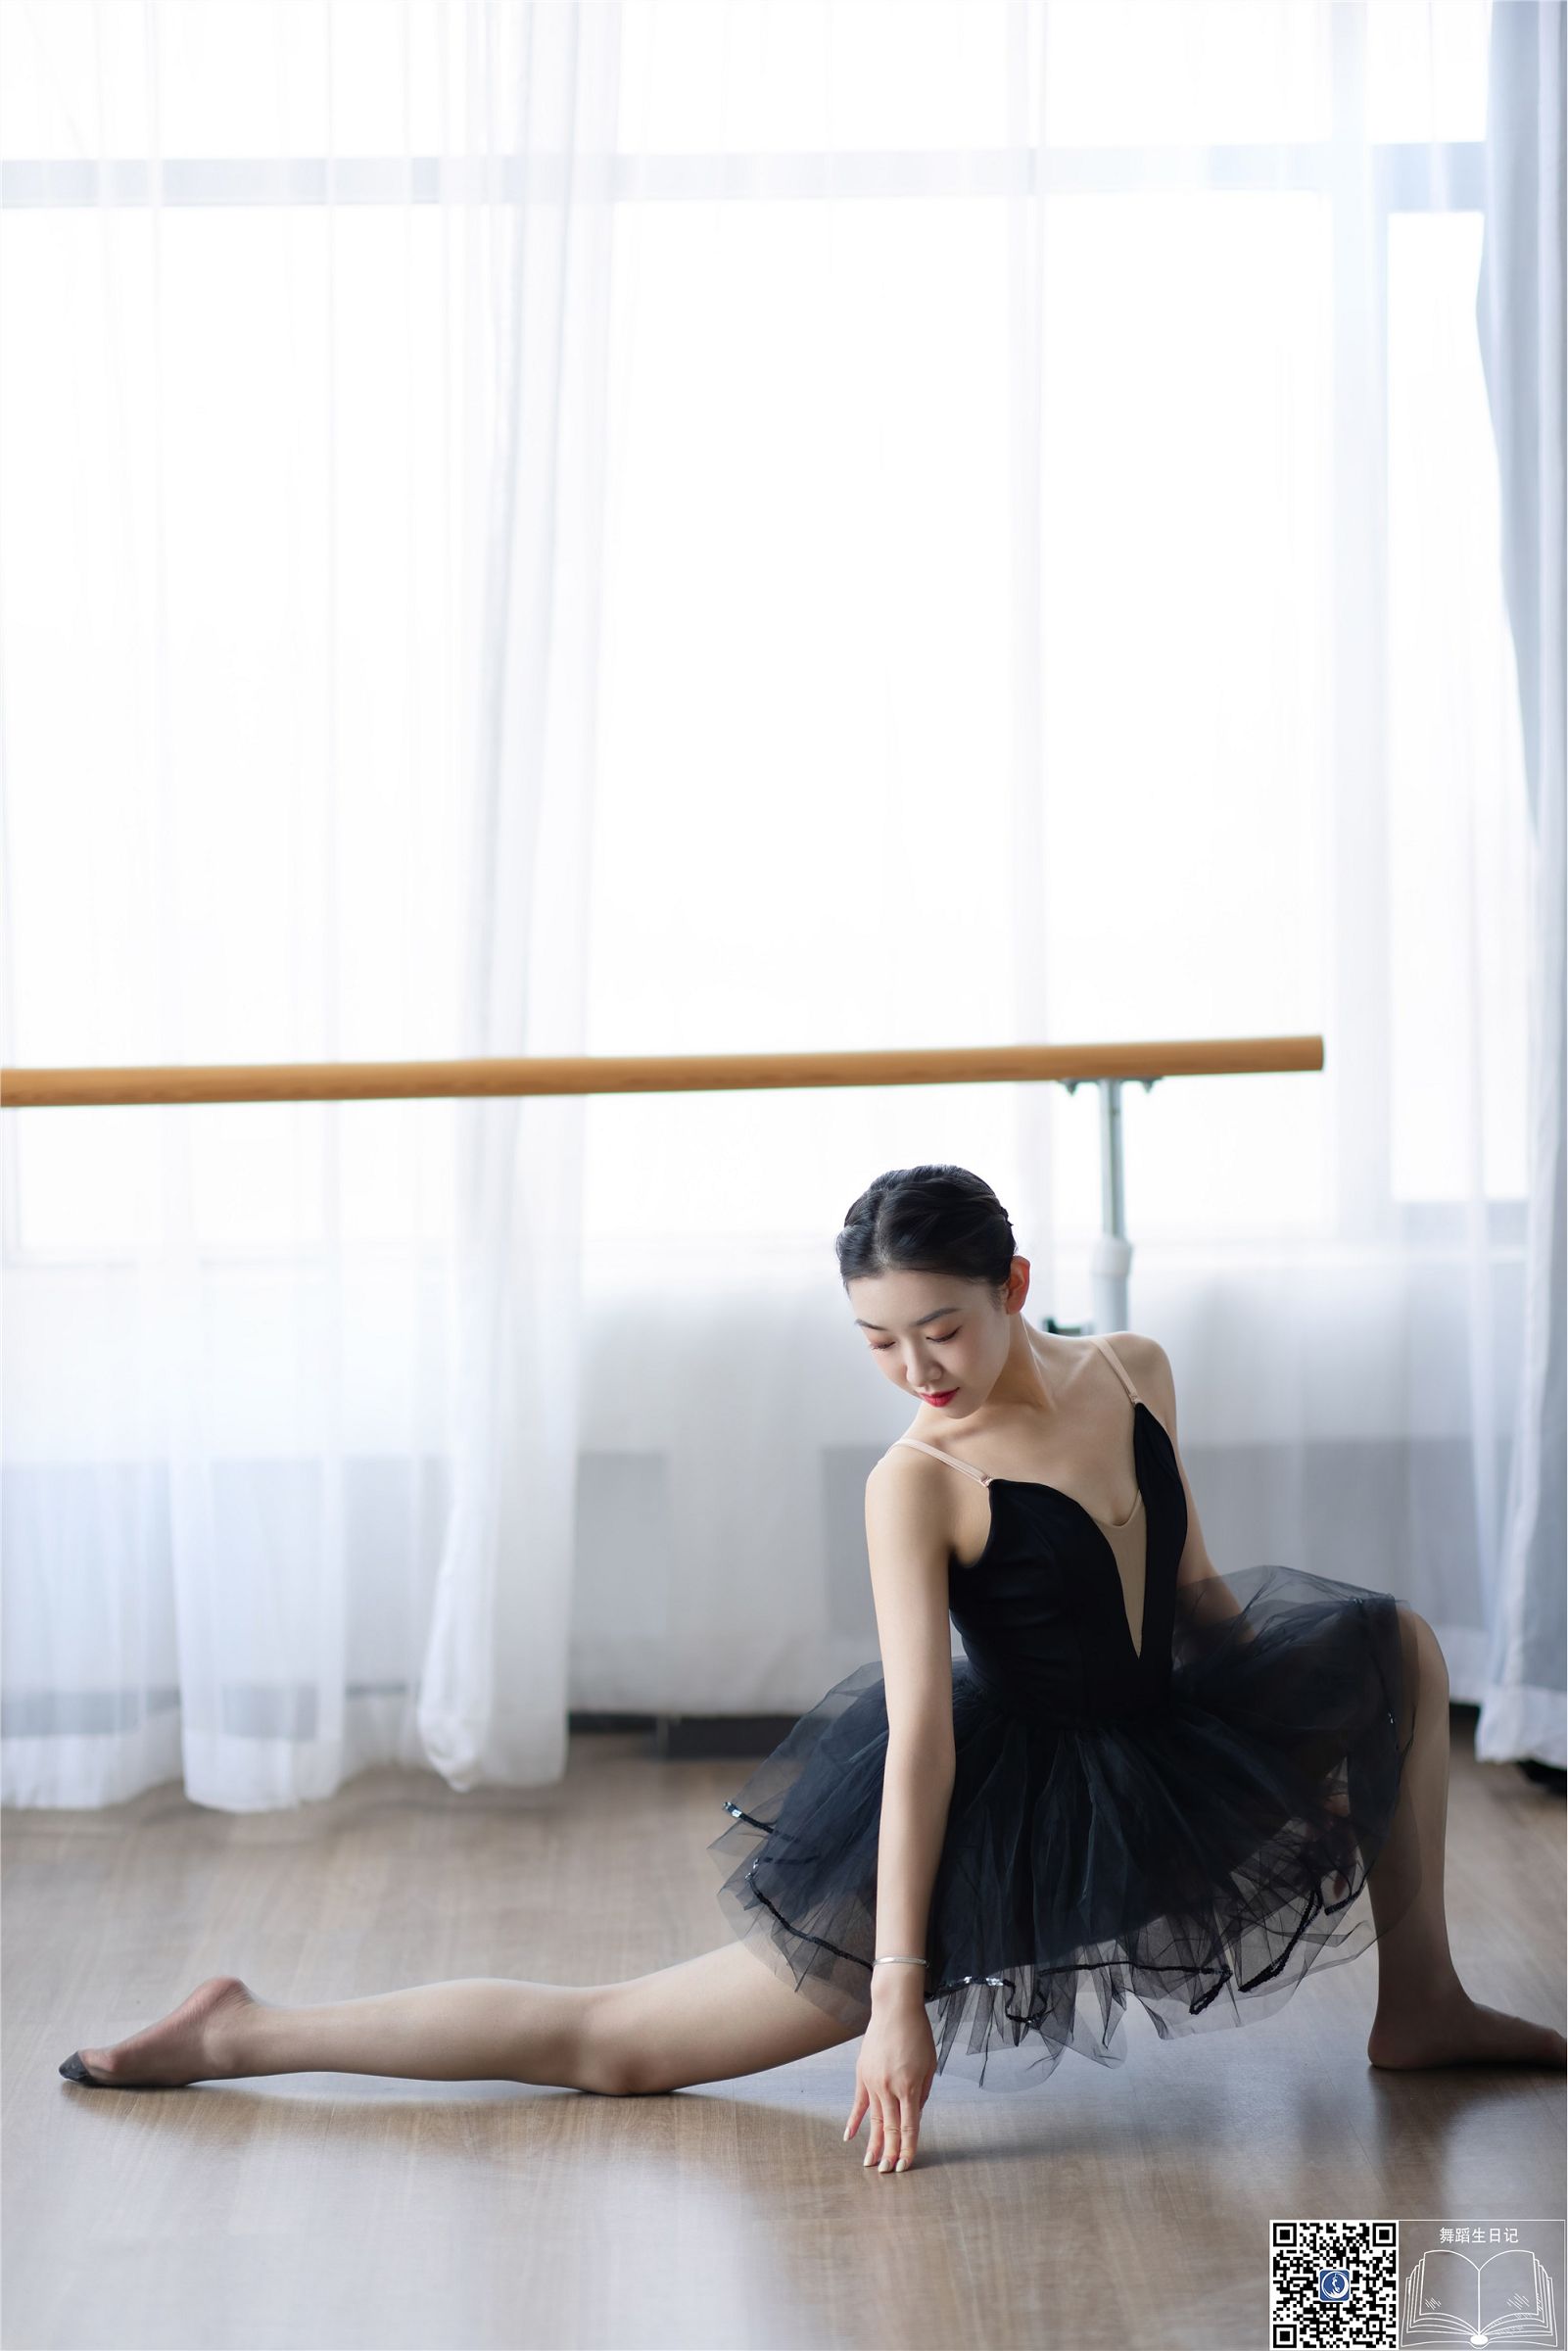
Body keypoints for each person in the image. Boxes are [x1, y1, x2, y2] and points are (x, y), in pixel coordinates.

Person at [59, 1165, 1566, 2173]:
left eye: (941, 1330)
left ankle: (1420, 2002)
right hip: (995, 1808)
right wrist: (897, 1993)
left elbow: (1192, 1595)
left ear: (1013, 1282)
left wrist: (1283, 1732)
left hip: (1157, 1742)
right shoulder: (917, 1481)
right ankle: (242, 2030)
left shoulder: (1131, 1370)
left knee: (1390, 1642)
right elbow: (922, 1745)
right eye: (877, 1344)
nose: (917, 1373)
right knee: (619, 2045)